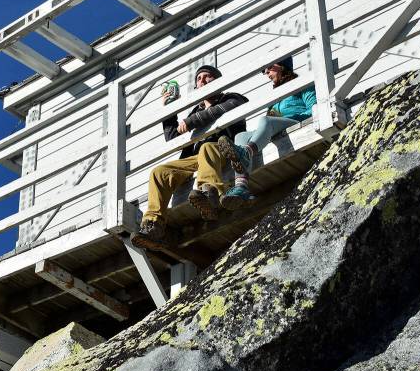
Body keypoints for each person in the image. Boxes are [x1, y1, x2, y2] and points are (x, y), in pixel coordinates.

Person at [131, 64, 248, 250]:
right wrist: (170, 110)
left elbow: (224, 109)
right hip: (197, 159)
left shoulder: (231, 98)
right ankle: (154, 225)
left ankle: (209, 194)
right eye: (199, 79)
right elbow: (172, 137)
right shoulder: (195, 110)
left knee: (207, 148)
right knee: (159, 172)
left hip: (224, 149)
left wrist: (190, 122)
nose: (202, 80)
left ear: (217, 81)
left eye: (207, 76)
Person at [216, 58, 316, 209]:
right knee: (240, 136)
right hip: (274, 129)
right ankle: (241, 186)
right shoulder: (274, 97)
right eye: (264, 70)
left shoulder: (301, 85)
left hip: (296, 122)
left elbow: (313, 108)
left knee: (265, 120)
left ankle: (246, 153)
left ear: (282, 65)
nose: (266, 73)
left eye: (268, 68)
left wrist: (293, 117)